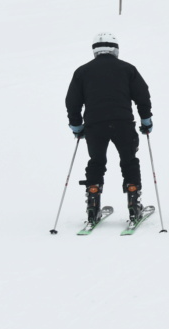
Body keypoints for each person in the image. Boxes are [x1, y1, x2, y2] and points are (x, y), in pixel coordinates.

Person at [65, 32, 154, 225]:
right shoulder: (128, 69)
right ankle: (133, 205)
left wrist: (76, 125)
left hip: (94, 125)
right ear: (115, 49)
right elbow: (142, 96)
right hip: (123, 123)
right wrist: (146, 121)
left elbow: (72, 101)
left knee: (96, 162)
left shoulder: (82, 72)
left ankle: (92, 206)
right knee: (129, 161)